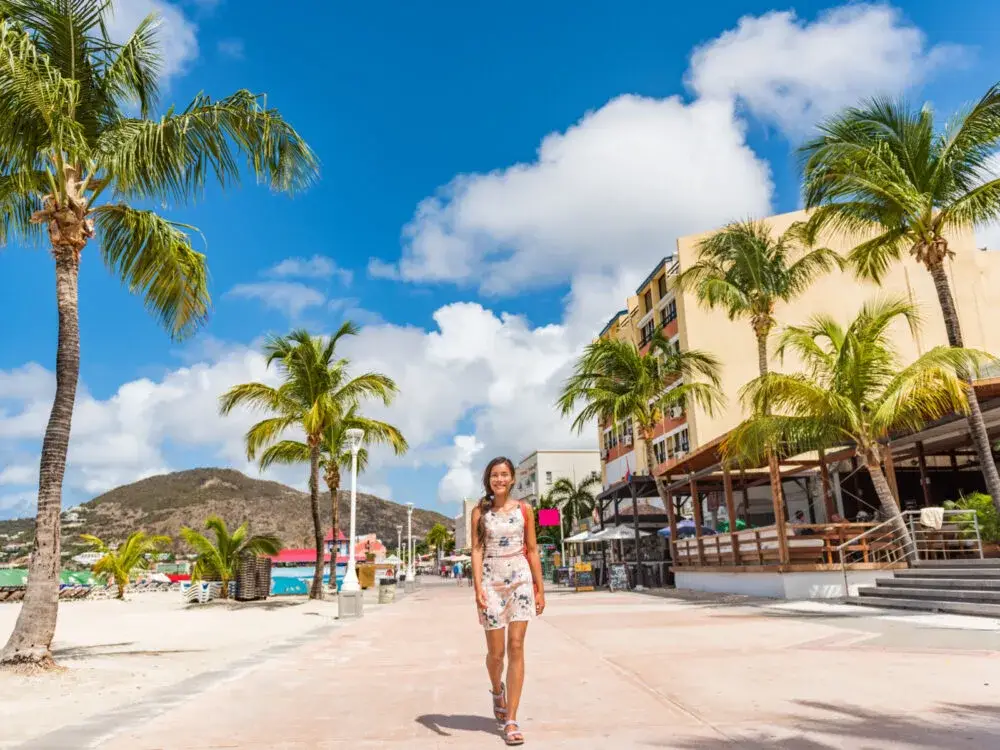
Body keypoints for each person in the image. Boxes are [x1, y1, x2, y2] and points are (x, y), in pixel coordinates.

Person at [471, 456, 545, 746]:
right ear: (488, 480)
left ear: (513, 479)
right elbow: (477, 550)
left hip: (520, 580)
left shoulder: (525, 509)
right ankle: (496, 690)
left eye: (504, 475)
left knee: (516, 645)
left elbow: (533, 549)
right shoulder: (480, 511)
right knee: (496, 654)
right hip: (491, 580)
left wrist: (540, 588)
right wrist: (477, 587)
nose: (499, 480)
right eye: (494, 475)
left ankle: (511, 718)